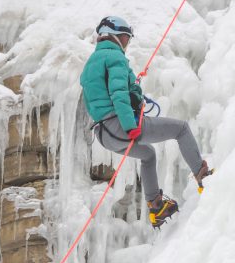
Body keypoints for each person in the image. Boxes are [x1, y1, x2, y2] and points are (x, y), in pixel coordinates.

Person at [79, 15, 211, 227]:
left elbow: (103, 96)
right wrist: (130, 125)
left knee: (148, 155)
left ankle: (156, 207)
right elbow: (118, 93)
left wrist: (133, 90)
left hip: (104, 134)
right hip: (120, 125)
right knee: (182, 129)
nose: (127, 43)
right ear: (116, 36)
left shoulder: (90, 64)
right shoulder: (114, 58)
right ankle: (203, 176)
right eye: (126, 37)